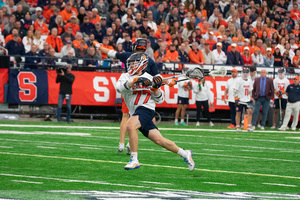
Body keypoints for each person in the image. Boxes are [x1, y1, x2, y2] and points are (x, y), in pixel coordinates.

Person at [116, 52, 195, 171]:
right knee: (159, 140)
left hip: (146, 109)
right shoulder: (125, 77)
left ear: (142, 64)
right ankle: (185, 153)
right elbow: (119, 88)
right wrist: (135, 81)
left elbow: (160, 99)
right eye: (130, 64)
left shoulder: (151, 78)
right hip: (135, 112)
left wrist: (155, 88)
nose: (131, 66)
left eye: (134, 63)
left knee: (130, 126)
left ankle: (134, 160)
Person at [96, 38, 163, 154]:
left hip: (131, 91)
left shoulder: (128, 56)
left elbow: (112, 53)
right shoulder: (149, 60)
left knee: (127, 116)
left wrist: (100, 47)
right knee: (137, 118)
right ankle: (127, 143)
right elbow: (158, 79)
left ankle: (123, 143)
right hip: (139, 93)